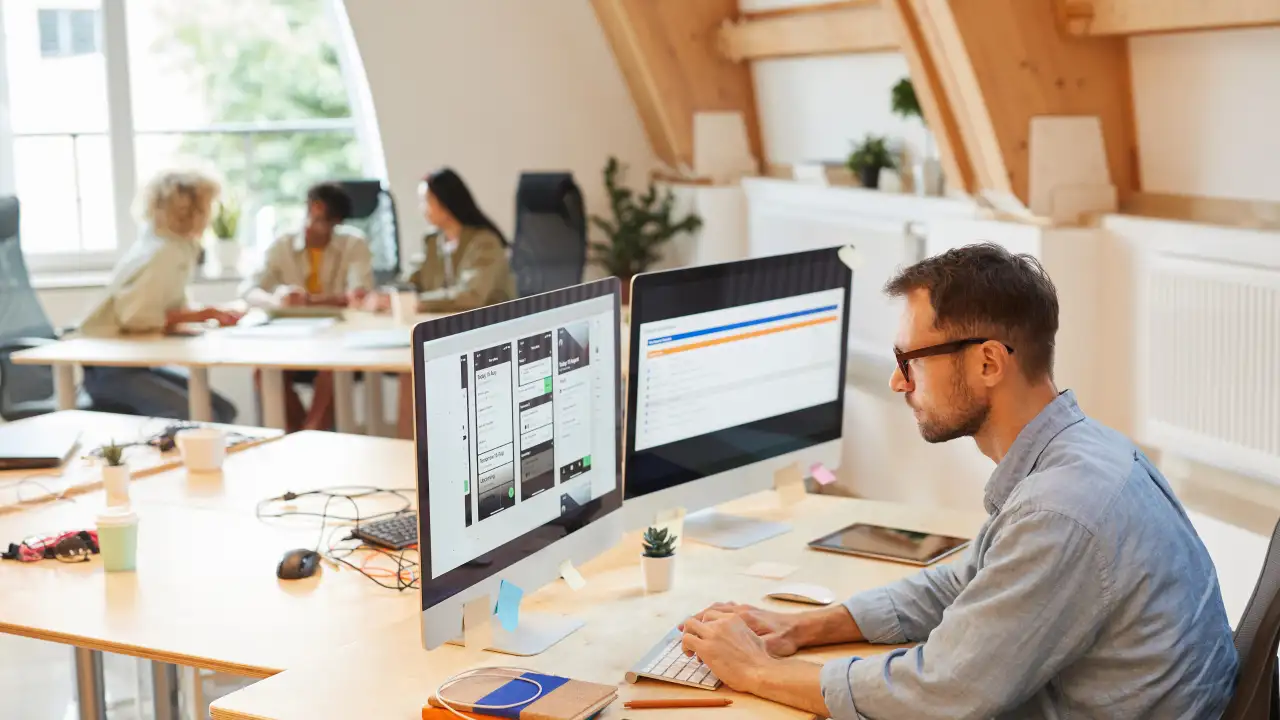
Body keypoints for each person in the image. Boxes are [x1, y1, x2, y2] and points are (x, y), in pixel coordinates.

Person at [679, 243, 1237, 718]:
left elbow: (941, 692)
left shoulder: (1060, 509)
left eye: (910, 359)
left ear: (989, 363)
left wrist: (757, 671)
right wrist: (802, 629)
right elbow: (966, 586)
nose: (898, 383)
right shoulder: (1085, 451)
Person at [79, 170, 241, 423]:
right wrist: (204, 314)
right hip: (111, 369)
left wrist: (207, 313)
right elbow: (137, 317)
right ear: (190, 210)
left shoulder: (171, 245)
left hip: (134, 363)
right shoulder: (163, 252)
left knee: (223, 411)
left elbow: (169, 306)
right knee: (201, 414)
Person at [375, 168, 515, 438]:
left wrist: (417, 303)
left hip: (485, 334)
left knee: (417, 369)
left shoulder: (485, 242)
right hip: (446, 331)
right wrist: (385, 295)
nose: (422, 209)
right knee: (410, 370)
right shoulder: (433, 242)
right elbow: (410, 281)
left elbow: (470, 296)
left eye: (425, 201)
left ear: (445, 202)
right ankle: (409, 455)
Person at [241, 182, 373, 431]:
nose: (318, 228)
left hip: (339, 344)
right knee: (264, 371)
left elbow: (359, 295)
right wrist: (277, 299)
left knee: (334, 370)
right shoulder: (283, 245)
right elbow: (248, 290)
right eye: (315, 216)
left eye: (327, 222)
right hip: (293, 342)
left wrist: (310, 300)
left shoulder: (353, 244)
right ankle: (297, 438)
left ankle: (310, 437)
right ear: (309, 208)